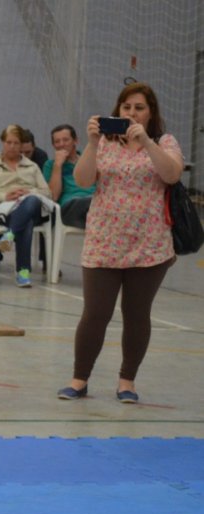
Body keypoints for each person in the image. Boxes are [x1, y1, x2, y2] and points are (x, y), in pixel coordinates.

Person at [57, 82, 182, 404]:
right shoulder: (104, 144)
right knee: (95, 313)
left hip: (150, 245)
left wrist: (147, 144)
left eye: (139, 107)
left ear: (150, 112)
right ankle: (79, 379)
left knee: (137, 314)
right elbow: (83, 180)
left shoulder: (165, 141)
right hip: (104, 242)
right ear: (118, 110)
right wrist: (91, 142)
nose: (131, 113)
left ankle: (127, 382)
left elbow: (171, 175)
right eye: (126, 107)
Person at [0, 124, 50, 287]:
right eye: (9, 142)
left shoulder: (32, 166)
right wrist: (4, 196)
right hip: (3, 210)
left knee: (32, 201)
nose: (12, 146)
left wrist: (29, 192)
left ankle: (9, 235)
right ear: (2, 142)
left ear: (22, 145)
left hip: (29, 205)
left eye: (16, 143)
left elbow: (46, 192)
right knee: (26, 223)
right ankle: (23, 272)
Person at [43, 124, 95, 229]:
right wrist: (58, 165)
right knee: (89, 204)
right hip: (70, 207)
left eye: (66, 140)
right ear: (53, 145)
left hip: (94, 203)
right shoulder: (50, 165)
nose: (61, 144)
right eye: (57, 142)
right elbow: (53, 196)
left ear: (75, 141)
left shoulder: (88, 160)